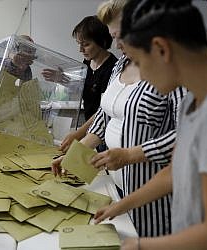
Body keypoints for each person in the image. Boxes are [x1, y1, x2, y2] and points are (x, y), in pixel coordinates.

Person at [94, 0, 207, 249]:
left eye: (139, 62)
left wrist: (139, 246)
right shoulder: (192, 99)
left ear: (161, 48)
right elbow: (174, 172)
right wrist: (121, 205)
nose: (142, 77)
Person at [52, 0, 187, 237]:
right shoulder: (121, 64)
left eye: (121, 36)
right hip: (115, 186)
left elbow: (190, 136)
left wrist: (129, 155)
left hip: (153, 196)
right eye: (114, 36)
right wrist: (73, 157)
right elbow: (105, 118)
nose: (116, 44)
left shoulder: (175, 68)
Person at [43, 16, 117, 121]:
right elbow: (86, 89)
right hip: (89, 122)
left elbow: (104, 112)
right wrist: (63, 80)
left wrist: (79, 134)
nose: (81, 50)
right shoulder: (87, 63)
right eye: (79, 44)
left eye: (86, 44)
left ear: (102, 42)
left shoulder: (112, 68)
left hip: (102, 126)